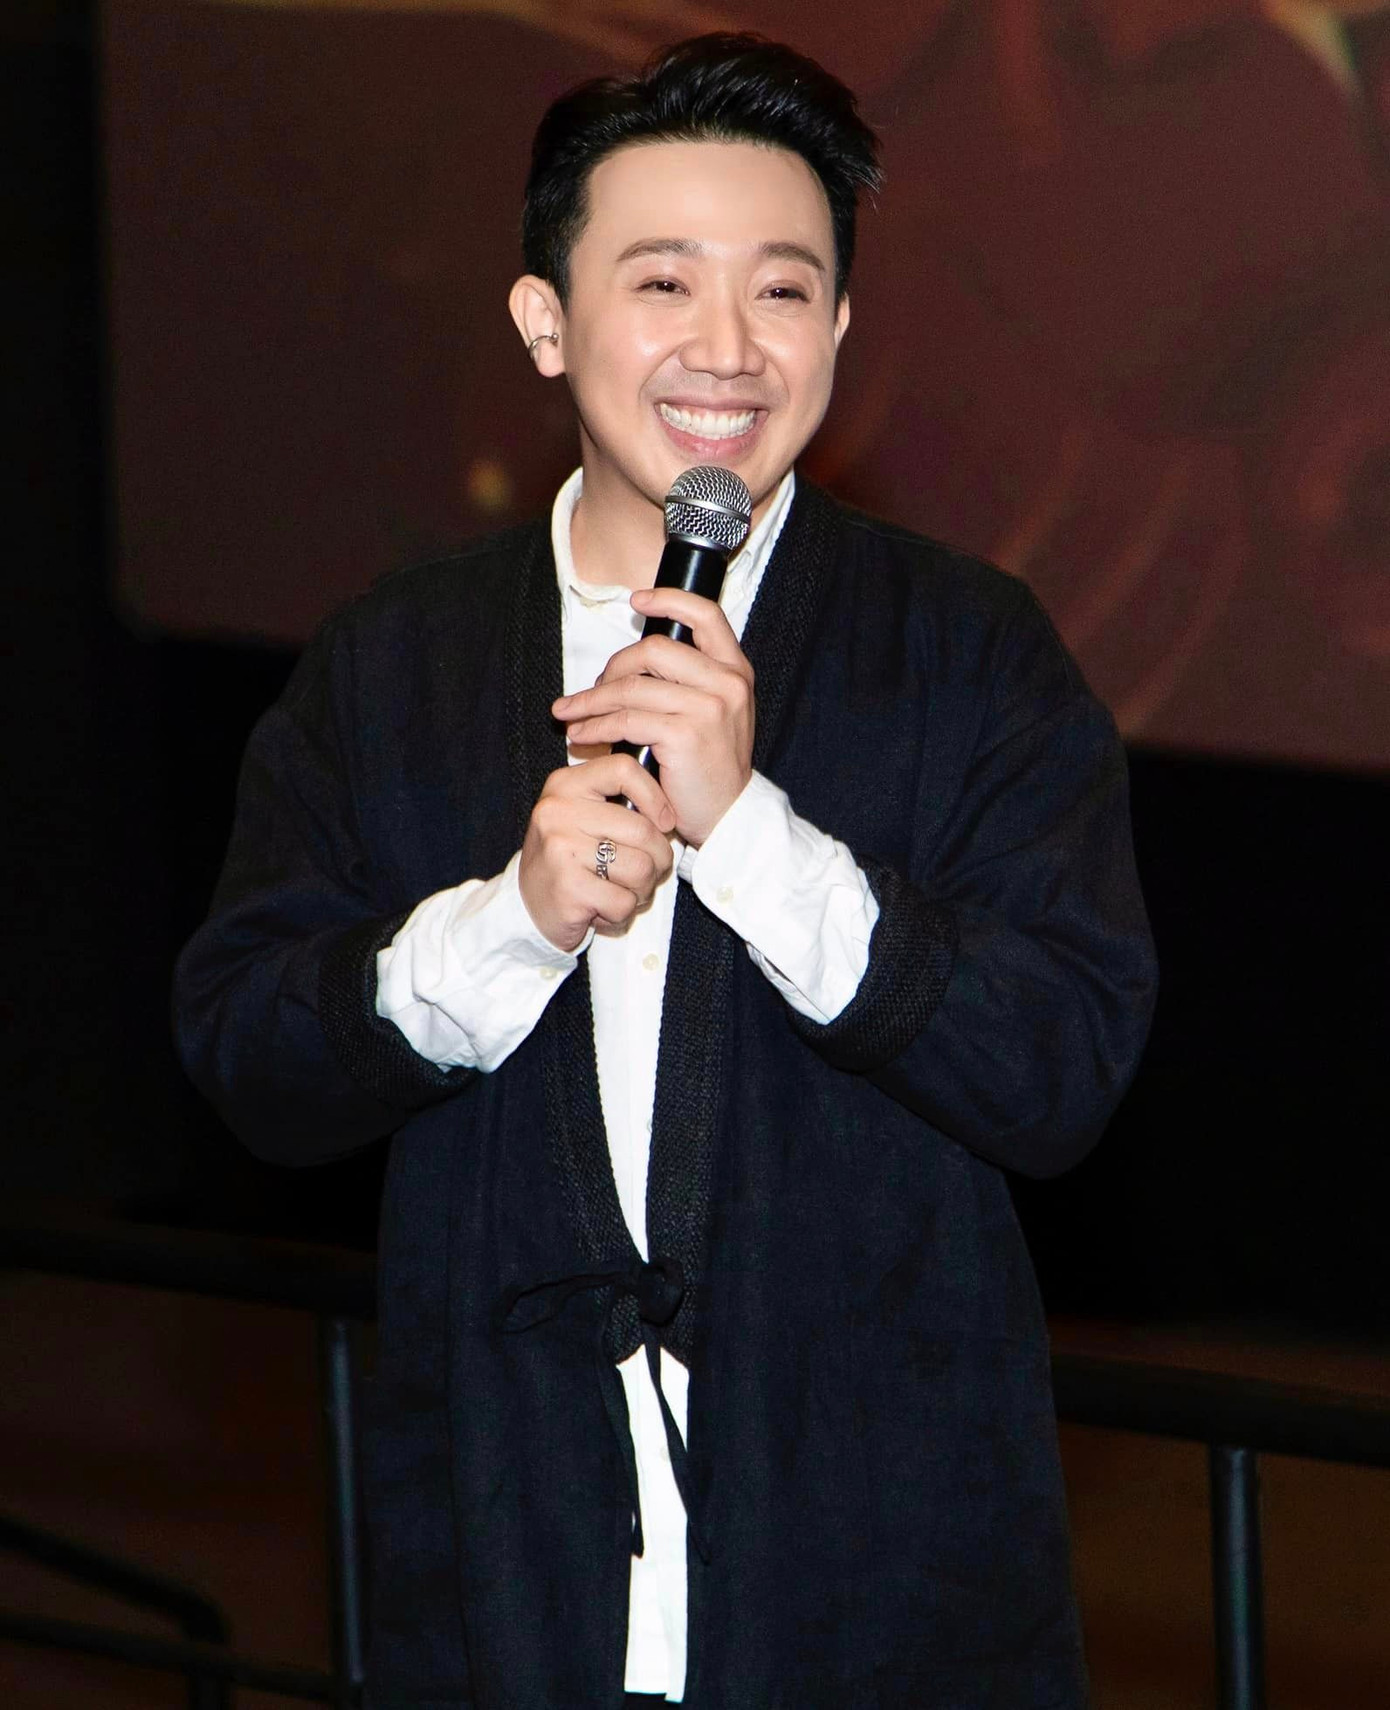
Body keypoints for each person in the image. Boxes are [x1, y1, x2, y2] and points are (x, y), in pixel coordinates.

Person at [175, 33, 1156, 1710]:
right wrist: (508, 924)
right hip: (507, 1565)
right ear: (543, 321)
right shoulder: (393, 662)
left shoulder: (968, 650)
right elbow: (249, 1053)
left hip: (876, 1585)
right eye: (661, 283)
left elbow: (1061, 1062)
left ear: (840, 328)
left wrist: (752, 831)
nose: (726, 348)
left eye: (782, 290)